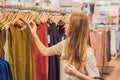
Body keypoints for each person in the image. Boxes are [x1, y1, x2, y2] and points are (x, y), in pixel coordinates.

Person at [28, 13, 100, 80]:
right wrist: (34, 34)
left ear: (75, 28)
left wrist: (77, 74)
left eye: (68, 23)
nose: (65, 26)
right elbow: (45, 51)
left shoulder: (88, 53)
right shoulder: (66, 44)